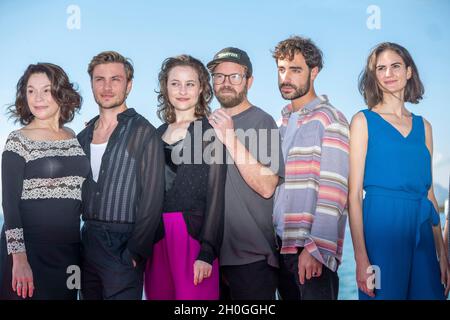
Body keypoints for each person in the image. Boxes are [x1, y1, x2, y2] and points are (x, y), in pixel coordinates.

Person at [348, 42, 450, 300]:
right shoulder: (363, 121)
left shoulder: (424, 127)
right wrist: (361, 257)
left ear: (408, 72)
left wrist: (442, 254)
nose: (388, 73)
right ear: (374, 76)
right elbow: (353, 195)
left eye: (395, 66)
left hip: (423, 231)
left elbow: (429, 194)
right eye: (380, 68)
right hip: (382, 227)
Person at [77, 51, 165, 300]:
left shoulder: (143, 131)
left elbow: (153, 196)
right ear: (91, 83)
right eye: (99, 79)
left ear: (129, 85)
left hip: (123, 246)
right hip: (88, 242)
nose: (106, 87)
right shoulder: (82, 137)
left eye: (115, 79)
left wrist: (136, 251)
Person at [0, 63, 90, 300]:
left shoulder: (73, 136)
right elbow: (9, 204)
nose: (37, 98)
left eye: (46, 90)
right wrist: (18, 259)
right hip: (29, 250)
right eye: (31, 91)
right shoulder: (18, 140)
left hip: (68, 250)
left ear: (61, 92)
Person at [272, 36, 350, 300]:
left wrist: (315, 248)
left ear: (313, 72)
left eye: (295, 70)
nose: (286, 78)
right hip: (280, 248)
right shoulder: (280, 122)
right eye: (282, 69)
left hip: (310, 251)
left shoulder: (331, 118)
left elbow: (335, 190)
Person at [144, 55, 226, 300]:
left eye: (190, 84)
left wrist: (207, 252)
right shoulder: (154, 135)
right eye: (175, 83)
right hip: (156, 240)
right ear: (165, 87)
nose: (182, 90)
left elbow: (216, 197)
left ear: (201, 88)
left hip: (193, 237)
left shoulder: (210, 132)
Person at [206, 47, 284, 300]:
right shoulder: (203, 125)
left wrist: (230, 137)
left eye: (235, 76)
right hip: (208, 258)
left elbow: (266, 186)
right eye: (219, 76)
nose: (226, 82)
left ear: (249, 81)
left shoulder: (263, 121)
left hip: (252, 258)